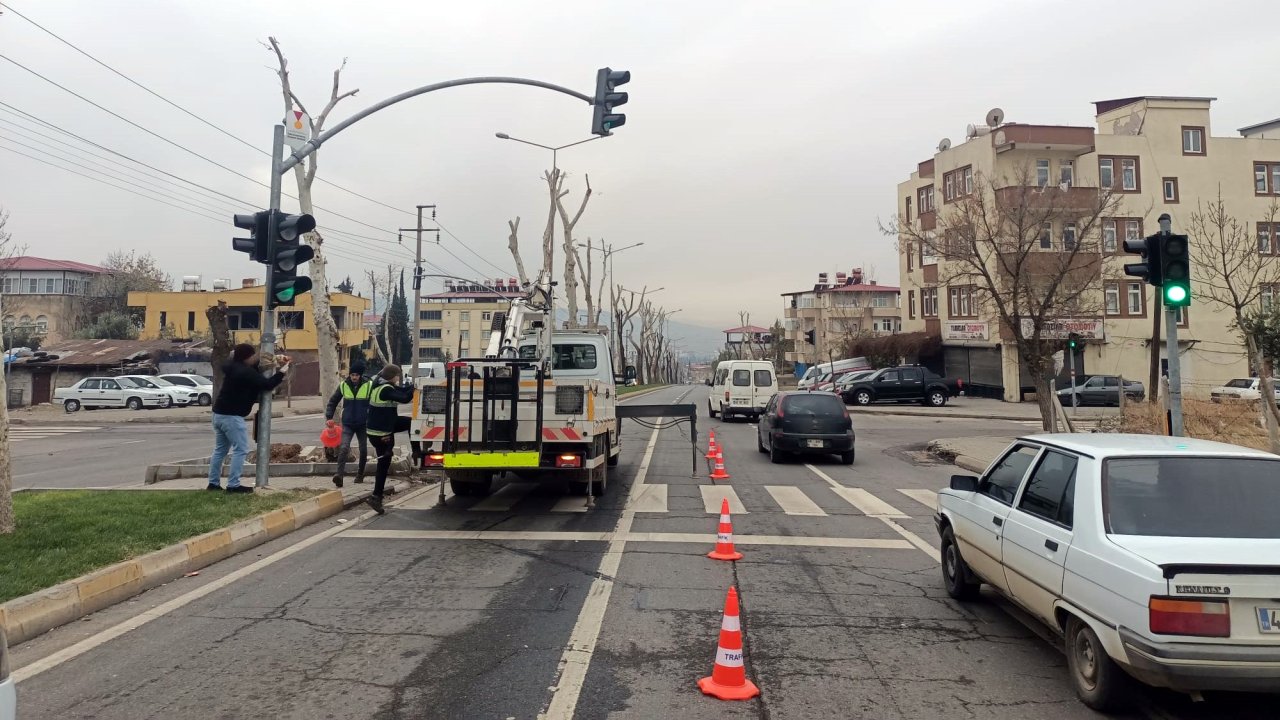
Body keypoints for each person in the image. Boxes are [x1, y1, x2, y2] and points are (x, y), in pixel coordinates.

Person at [208, 343, 288, 493]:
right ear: (247, 357)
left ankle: (213, 484)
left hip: (219, 414)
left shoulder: (234, 367)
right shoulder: (245, 372)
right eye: (253, 355)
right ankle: (233, 485)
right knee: (241, 450)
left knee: (220, 450)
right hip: (232, 417)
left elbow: (256, 369)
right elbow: (266, 384)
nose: (255, 358)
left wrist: (275, 359)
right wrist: (282, 372)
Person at [365, 364, 414, 514]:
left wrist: (414, 386)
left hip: (379, 430)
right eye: (398, 375)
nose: (399, 378)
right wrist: (415, 389)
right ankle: (376, 496)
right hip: (382, 433)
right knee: (383, 464)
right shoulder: (385, 390)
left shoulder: (381, 385)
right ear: (393, 376)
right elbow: (405, 398)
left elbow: (403, 391)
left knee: (410, 423)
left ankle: (377, 496)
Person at [324, 362, 372, 488]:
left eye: (356, 375)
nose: (354, 377)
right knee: (344, 447)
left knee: (363, 449)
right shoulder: (344, 385)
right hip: (348, 423)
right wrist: (329, 417)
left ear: (360, 375)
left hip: (363, 423)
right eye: (352, 375)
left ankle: (360, 475)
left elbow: (375, 402)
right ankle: (339, 475)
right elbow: (333, 401)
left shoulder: (369, 385)